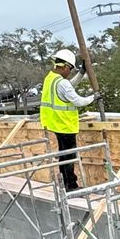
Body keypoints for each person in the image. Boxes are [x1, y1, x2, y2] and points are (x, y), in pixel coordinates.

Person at [39, 47, 96, 191]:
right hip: (65, 124)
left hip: (55, 123)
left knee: (63, 155)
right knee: (69, 156)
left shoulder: (50, 78)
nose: (69, 72)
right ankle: (71, 185)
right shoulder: (61, 83)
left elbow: (68, 87)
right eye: (70, 69)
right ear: (64, 66)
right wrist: (94, 97)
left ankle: (65, 184)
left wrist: (81, 73)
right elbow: (77, 101)